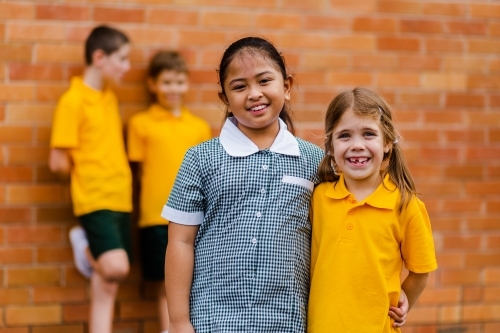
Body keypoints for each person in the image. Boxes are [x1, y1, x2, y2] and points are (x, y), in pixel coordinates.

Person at [163, 37, 408, 333]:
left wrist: (398, 289)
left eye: (264, 81)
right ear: (225, 98)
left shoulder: (316, 161)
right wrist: (178, 321)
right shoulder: (201, 158)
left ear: (287, 86)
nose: (254, 94)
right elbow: (180, 241)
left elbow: (351, 229)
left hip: (288, 320)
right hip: (211, 320)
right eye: (239, 87)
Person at [308, 87, 438, 332]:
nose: (357, 145)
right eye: (344, 136)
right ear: (331, 146)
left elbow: (421, 271)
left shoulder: (405, 205)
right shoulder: (319, 198)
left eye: (368, 134)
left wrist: (404, 302)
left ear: (387, 142)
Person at [48, 25, 132, 333]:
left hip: (120, 197)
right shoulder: (73, 101)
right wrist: (87, 177)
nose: (128, 67)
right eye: (122, 59)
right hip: (95, 198)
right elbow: (57, 162)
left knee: (107, 284)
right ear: (100, 57)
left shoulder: (108, 97)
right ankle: (83, 243)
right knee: (116, 267)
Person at [127, 50, 212, 333]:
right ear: (152, 84)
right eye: (166, 82)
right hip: (154, 216)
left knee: (192, 279)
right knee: (166, 283)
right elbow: (137, 175)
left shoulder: (199, 128)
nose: (173, 89)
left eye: (178, 82)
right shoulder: (140, 124)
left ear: (187, 83)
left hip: (193, 219)